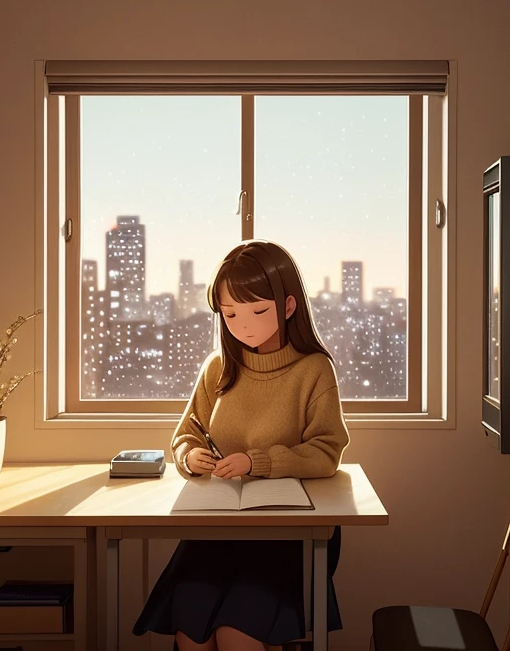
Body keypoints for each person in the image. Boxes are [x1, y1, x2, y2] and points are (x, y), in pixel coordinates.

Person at [132, 239, 350, 651]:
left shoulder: (314, 370)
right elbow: (186, 434)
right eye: (230, 314)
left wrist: (260, 462)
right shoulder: (219, 367)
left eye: (258, 312)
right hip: (216, 529)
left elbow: (327, 451)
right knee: (191, 637)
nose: (243, 325)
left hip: (285, 535)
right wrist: (189, 456)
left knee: (237, 638)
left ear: (288, 307)